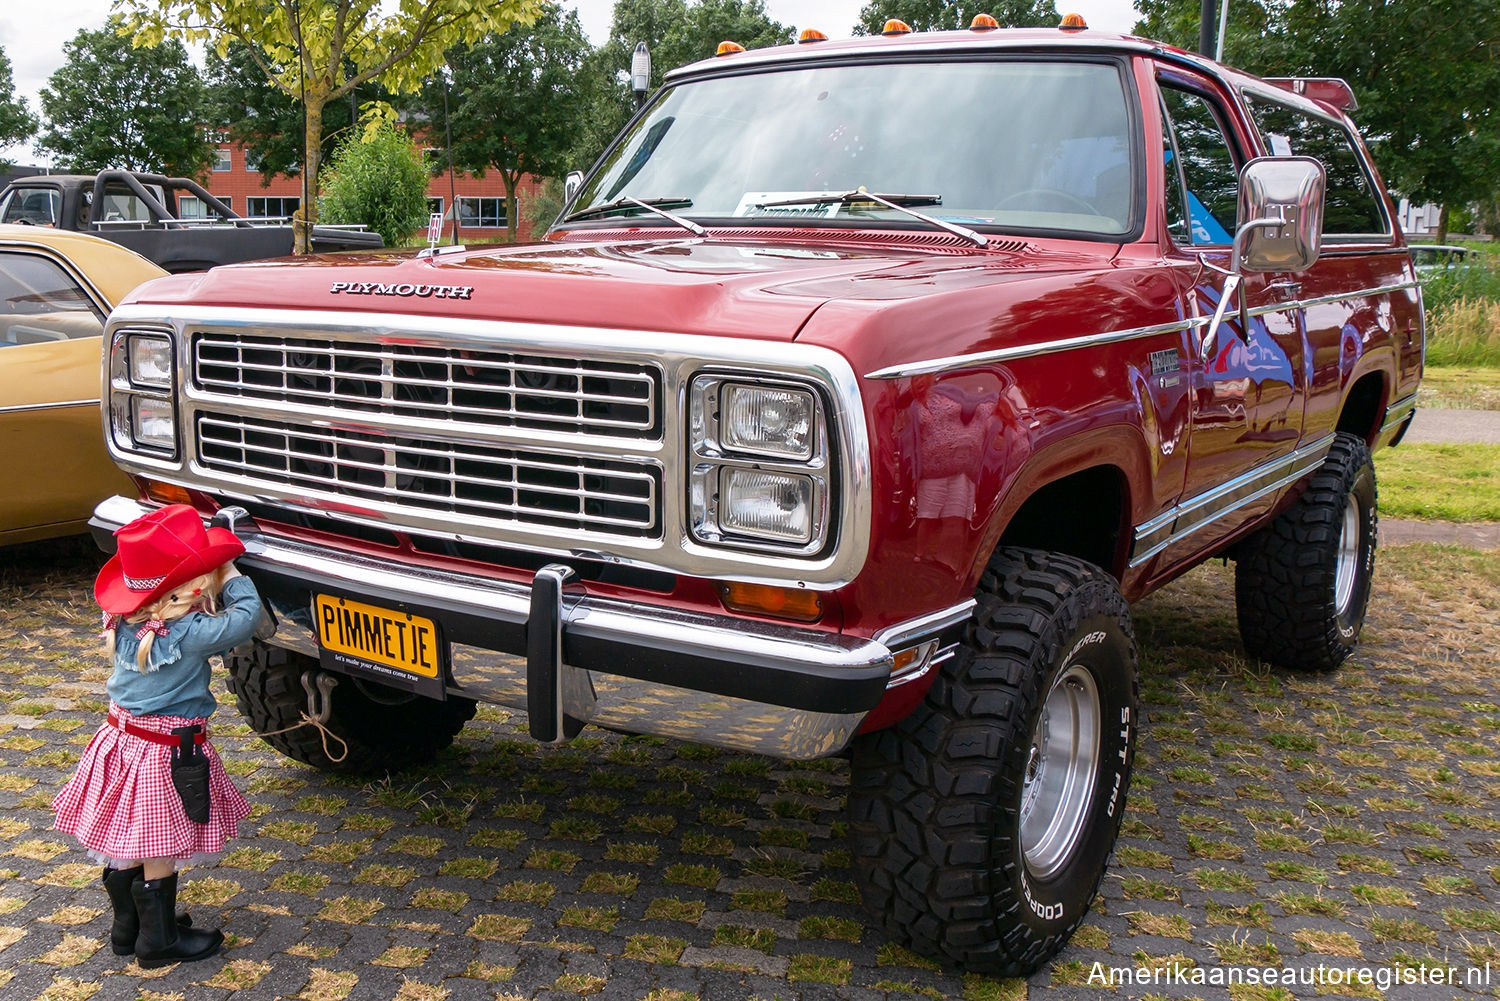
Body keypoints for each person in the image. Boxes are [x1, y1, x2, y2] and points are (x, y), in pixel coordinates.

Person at [52, 504, 261, 967]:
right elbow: (248, 616)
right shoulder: (191, 631)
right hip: (167, 751)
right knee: (156, 845)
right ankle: (159, 943)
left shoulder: (123, 620)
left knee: (125, 839)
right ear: (192, 586)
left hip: (119, 739)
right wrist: (229, 571)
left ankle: (129, 930)